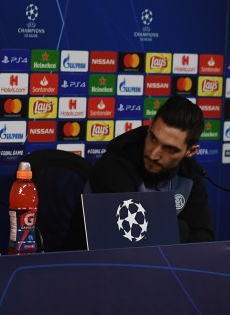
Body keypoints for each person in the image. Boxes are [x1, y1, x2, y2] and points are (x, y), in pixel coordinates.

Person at [88, 95, 215, 242]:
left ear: (190, 151)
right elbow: (126, 237)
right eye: (153, 138)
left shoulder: (191, 174)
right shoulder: (114, 165)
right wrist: (182, 229)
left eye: (170, 149)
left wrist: (162, 227)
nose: (153, 154)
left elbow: (203, 239)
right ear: (150, 127)